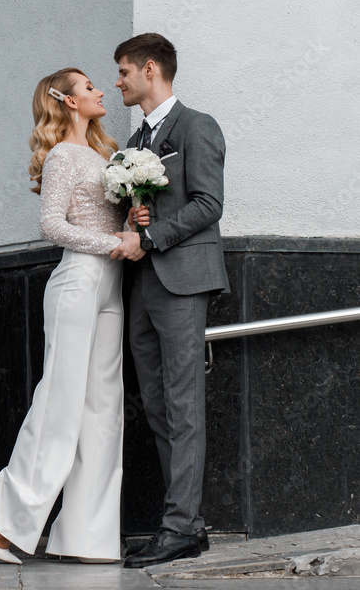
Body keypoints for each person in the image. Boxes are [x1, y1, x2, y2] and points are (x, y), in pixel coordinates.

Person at [0, 67, 149, 564]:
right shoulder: (62, 157)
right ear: (68, 102)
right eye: (89, 86)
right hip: (78, 280)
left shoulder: (108, 156)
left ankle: (88, 538)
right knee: (61, 400)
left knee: (104, 411)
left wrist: (136, 216)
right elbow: (51, 225)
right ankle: (5, 513)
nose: (99, 91)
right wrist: (114, 242)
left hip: (113, 285)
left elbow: (117, 219)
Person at [111, 33, 229, 569]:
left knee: (183, 407)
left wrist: (152, 237)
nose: (118, 82)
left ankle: (179, 527)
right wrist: (137, 217)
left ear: (150, 69)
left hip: (182, 281)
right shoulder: (138, 138)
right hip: (144, 287)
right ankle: (187, 525)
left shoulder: (197, 126)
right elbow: (153, 206)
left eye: (123, 73)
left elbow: (209, 203)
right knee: (157, 405)